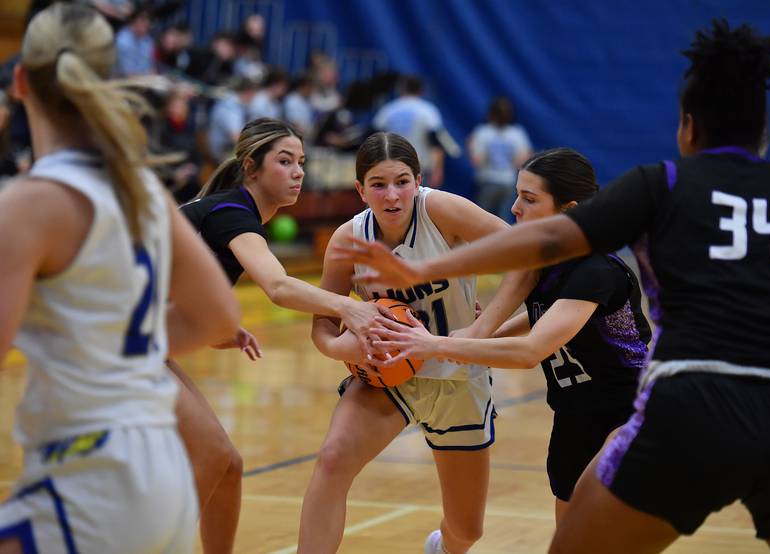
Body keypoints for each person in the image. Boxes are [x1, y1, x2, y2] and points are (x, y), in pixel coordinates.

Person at [334, 20, 770, 554]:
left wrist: (416, 275)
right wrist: (479, 329)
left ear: (687, 129)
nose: (516, 209)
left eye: (527, 199)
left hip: (689, 402)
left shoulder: (661, 184)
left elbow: (543, 244)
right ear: (764, 134)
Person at [0, 4, 240, 553]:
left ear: (20, 81)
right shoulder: (144, 192)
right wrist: (114, 349)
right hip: (164, 472)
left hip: (88, 476)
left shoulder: (31, 204)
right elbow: (218, 315)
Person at [369, 148, 651, 524]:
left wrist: (437, 344)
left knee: (599, 524)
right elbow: (542, 318)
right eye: (518, 194)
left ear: (568, 210)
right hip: (574, 414)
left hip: (629, 412)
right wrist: (479, 337)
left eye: (530, 199)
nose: (515, 207)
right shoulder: (546, 263)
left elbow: (532, 351)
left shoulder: (595, 271)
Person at [177, 118, 395, 552]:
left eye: (301, 162)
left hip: (132, 338)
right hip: (107, 339)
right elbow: (277, 286)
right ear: (251, 168)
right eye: (285, 161)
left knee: (227, 466)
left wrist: (213, 326)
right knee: (214, 457)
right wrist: (348, 306)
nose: (298, 171)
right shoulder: (231, 212)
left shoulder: (228, 214)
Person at [298, 132, 509, 554]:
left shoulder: (443, 211)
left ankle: (443, 548)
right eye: (377, 184)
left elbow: (521, 253)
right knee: (333, 460)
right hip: (387, 375)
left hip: (457, 375)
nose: (391, 195)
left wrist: (485, 327)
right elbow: (322, 325)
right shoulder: (347, 239)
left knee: (466, 531)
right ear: (360, 189)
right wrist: (345, 348)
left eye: (401, 181)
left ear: (418, 180)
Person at [468, 97, 533, 223]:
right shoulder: (517, 134)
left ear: (491, 114)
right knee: (504, 219)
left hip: (487, 180)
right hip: (508, 181)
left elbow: (477, 161)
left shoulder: (483, 132)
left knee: (480, 218)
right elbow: (524, 159)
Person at [373, 75, 446, 188]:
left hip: (390, 166)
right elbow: (436, 144)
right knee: (419, 202)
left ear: (400, 89)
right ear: (421, 90)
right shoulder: (428, 111)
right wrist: (437, 170)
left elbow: (374, 141)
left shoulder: (387, 111)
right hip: (419, 168)